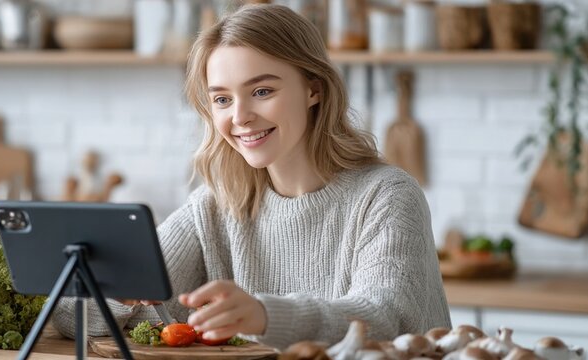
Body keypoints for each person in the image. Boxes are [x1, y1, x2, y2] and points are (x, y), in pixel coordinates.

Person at [51, 4, 450, 350]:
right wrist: (120, 295)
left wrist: (265, 316)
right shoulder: (215, 206)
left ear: (314, 89)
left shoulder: (386, 195)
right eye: (222, 99)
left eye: (261, 91)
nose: (239, 117)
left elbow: (386, 318)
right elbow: (71, 315)